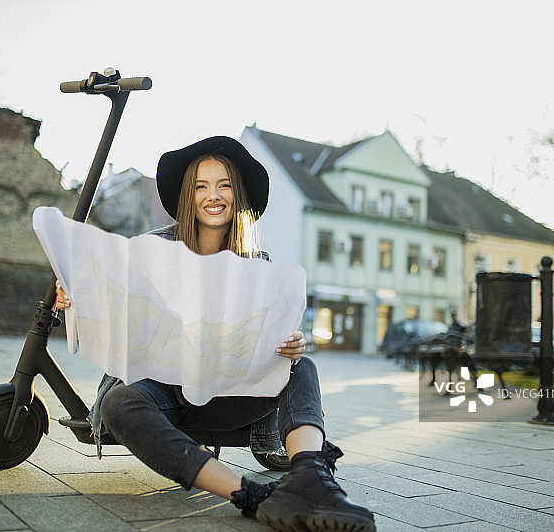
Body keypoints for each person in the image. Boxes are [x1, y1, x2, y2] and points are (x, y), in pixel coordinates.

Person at [55, 136, 375, 531]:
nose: (213, 195)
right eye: (201, 186)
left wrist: (292, 344)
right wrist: (76, 297)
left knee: (302, 366)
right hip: (165, 391)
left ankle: (311, 479)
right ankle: (254, 496)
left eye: (224, 185)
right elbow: (110, 297)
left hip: (230, 394)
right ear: (188, 196)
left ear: (237, 195)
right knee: (118, 403)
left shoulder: (258, 263)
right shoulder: (153, 249)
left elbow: (273, 335)